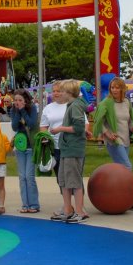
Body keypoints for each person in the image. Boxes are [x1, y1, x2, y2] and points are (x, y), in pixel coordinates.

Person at [92, 77, 133, 210]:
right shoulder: (106, 103)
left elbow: (129, 120)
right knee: (126, 167)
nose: (114, 90)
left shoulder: (126, 102)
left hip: (125, 139)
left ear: (122, 89)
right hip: (114, 140)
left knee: (120, 170)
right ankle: (130, 198)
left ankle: (122, 198)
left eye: (117, 87)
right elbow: (99, 121)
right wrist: (107, 133)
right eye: (112, 87)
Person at [49, 80, 89, 223]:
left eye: (63, 91)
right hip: (66, 148)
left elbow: (78, 127)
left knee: (74, 181)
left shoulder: (76, 106)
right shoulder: (71, 105)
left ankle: (79, 211)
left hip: (73, 149)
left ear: (69, 93)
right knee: (64, 180)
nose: (60, 94)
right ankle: (67, 209)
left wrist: (60, 129)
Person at [8, 88, 40, 213]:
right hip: (20, 146)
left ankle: (34, 204)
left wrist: (23, 110)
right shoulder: (13, 110)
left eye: (20, 100)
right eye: (15, 100)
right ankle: (25, 204)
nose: (17, 102)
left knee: (29, 176)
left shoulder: (32, 108)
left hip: (31, 146)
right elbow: (15, 126)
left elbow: (31, 124)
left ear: (25, 100)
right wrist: (17, 112)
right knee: (22, 176)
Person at [39, 86, 68, 175]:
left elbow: (84, 122)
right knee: (60, 176)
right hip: (55, 147)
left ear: (64, 92)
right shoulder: (48, 108)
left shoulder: (71, 106)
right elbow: (43, 126)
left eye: (58, 91)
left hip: (70, 146)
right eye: (54, 91)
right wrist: (45, 137)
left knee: (72, 177)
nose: (55, 93)